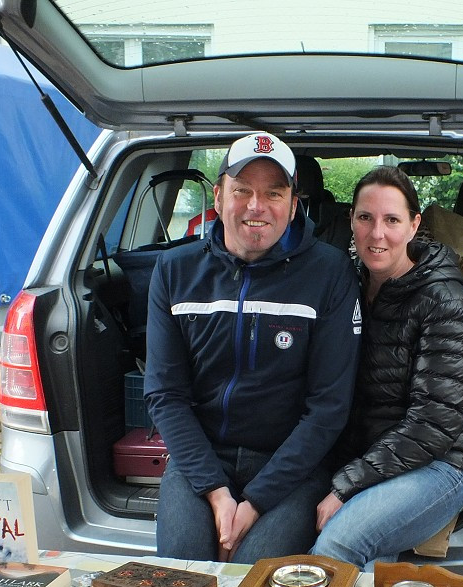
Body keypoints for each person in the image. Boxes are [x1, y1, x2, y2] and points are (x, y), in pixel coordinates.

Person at [145, 132, 361, 563]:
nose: (255, 206)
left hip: (291, 468)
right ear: (219, 194)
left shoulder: (330, 273)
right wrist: (216, 491)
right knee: (182, 577)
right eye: (242, 190)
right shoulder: (174, 271)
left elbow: (329, 408)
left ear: (294, 204)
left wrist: (256, 501)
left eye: (273, 193)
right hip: (200, 461)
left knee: (254, 585)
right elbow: (165, 395)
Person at [309, 166, 463, 568]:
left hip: (441, 463)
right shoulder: (347, 285)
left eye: (391, 220)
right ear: (350, 219)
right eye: (365, 218)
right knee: (369, 570)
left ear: (413, 225)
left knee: (338, 548)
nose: (377, 234)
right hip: (376, 458)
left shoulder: (443, 301)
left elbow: (434, 424)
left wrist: (345, 486)